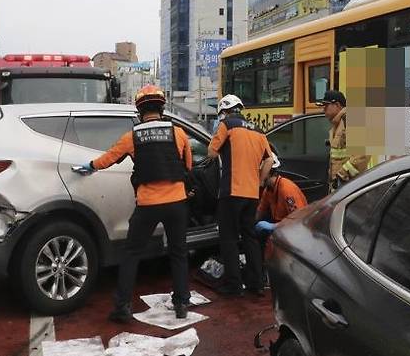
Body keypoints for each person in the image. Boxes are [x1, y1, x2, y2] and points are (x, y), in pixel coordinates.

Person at [74, 85, 192, 322]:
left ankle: (122, 308)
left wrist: (89, 166)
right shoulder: (178, 133)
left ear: (139, 110)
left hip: (148, 204)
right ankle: (181, 304)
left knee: (132, 253)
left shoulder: (132, 137)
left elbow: (108, 159)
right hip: (177, 202)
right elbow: (188, 166)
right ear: (161, 107)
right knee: (179, 253)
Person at [207, 94, 273, 297]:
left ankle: (234, 286)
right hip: (252, 193)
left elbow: (210, 152)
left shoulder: (227, 124)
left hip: (231, 190)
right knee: (250, 237)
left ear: (224, 111)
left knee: (228, 238)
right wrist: (260, 181)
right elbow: (269, 160)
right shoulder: (258, 130)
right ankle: (257, 284)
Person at [316, 90, 369, 193]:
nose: (323, 109)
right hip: (342, 186)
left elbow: (362, 154)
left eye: (326, 106)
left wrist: (341, 176)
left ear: (337, 105)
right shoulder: (337, 125)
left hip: (353, 187)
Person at [254, 152, 308, 234]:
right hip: (281, 230)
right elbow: (260, 212)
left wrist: (274, 226)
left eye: (258, 172)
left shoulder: (286, 189)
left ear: (268, 171)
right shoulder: (268, 190)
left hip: (295, 231)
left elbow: (298, 219)